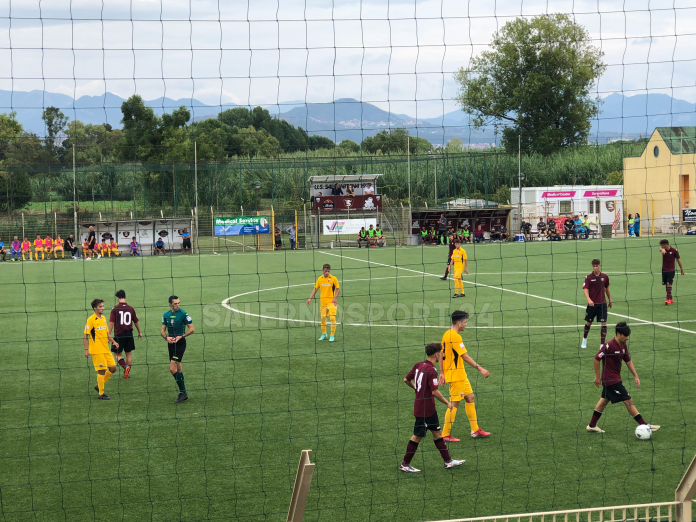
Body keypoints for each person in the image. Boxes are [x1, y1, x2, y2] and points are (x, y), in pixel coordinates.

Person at [399, 342, 465, 473]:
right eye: (441, 353)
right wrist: (447, 403)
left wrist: (417, 389)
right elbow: (435, 392)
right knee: (417, 436)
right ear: (437, 354)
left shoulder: (419, 365)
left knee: (437, 434)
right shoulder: (431, 370)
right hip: (424, 409)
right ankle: (405, 464)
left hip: (429, 409)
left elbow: (406, 379)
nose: (442, 355)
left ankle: (448, 461)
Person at [586, 322, 660, 434]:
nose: (627, 338)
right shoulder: (609, 346)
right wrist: (597, 377)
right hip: (611, 380)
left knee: (604, 401)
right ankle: (645, 426)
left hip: (615, 379)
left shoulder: (623, 346)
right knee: (628, 400)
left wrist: (636, 376)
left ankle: (591, 425)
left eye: (628, 335)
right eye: (625, 335)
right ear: (618, 334)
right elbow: (596, 359)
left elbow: (628, 361)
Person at [439, 310, 491, 441]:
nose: (466, 325)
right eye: (465, 322)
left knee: (470, 398)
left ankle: (475, 430)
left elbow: (440, 354)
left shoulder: (446, 334)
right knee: (454, 404)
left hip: (460, 374)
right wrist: (481, 369)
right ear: (458, 323)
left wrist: (442, 372)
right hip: (456, 375)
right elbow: (465, 356)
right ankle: (445, 434)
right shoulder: (455, 337)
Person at [160, 295, 194, 403]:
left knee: (172, 369)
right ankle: (183, 393)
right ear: (170, 304)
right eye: (176, 303)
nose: (178, 305)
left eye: (179, 303)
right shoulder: (166, 315)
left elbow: (192, 329)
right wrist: (166, 337)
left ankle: (183, 392)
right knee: (178, 368)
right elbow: (162, 331)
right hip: (171, 344)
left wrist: (182, 336)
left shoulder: (183, 314)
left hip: (180, 344)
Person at [84, 298, 119, 400]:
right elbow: (85, 335)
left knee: (113, 368)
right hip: (97, 350)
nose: (102, 308)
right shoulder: (91, 320)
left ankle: (99, 385)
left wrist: (113, 341)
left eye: (103, 306)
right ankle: (101, 393)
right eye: (100, 307)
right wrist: (86, 350)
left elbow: (107, 334)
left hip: (106, 349)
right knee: (102, 371)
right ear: (95, 308)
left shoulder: (103, 318)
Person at [109, 290, 142, 380]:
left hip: (119, 334)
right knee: (129, 354)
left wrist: (108, 334)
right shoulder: (131, 308)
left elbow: (111, 322)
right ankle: (126, 372)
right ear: (125, 297)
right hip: (129, 334)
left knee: (117, 354)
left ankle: (125, 367)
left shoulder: (115, 309)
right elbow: (136, 321)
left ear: (117, 298)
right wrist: (139, 332)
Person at [581, 259, 612, 349]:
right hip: (592, 305)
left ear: (600, 266)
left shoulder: (605, 277)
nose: (595, 267)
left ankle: (602, 345)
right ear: (592, 266)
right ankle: (584, 339)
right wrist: (589, 300)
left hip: (602, 304)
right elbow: (585, 290)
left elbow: (607, 289)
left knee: (603, 323)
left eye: (597, 266)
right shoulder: (588, 277)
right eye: (594, 266)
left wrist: (610, 300)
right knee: (589, 322)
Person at [306, 263, 340, 342]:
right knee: (323, 319)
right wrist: (310, 298)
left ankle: (332, 335)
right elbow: (315, 289)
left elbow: (338, 289)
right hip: (323, 303)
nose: (327, 272)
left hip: (332, 302)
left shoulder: (333, 279)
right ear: (323, 271)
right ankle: (324, 334)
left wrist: (335, 298)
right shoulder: (320, 279)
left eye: (328, 271)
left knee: (332, 318)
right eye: (325, 271)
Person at [660, 239, 684, 305]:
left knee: (669, 284)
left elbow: (678, 260)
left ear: (665, 245)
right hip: (664, 269)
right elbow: (660, 249)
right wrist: (661, 249)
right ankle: (670, 298)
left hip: (671, 270)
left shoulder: (674, 251)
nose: (661, 246)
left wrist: (681, 269)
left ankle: (667, 299)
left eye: (662, 245)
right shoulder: (663, 249)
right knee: (666, 284)